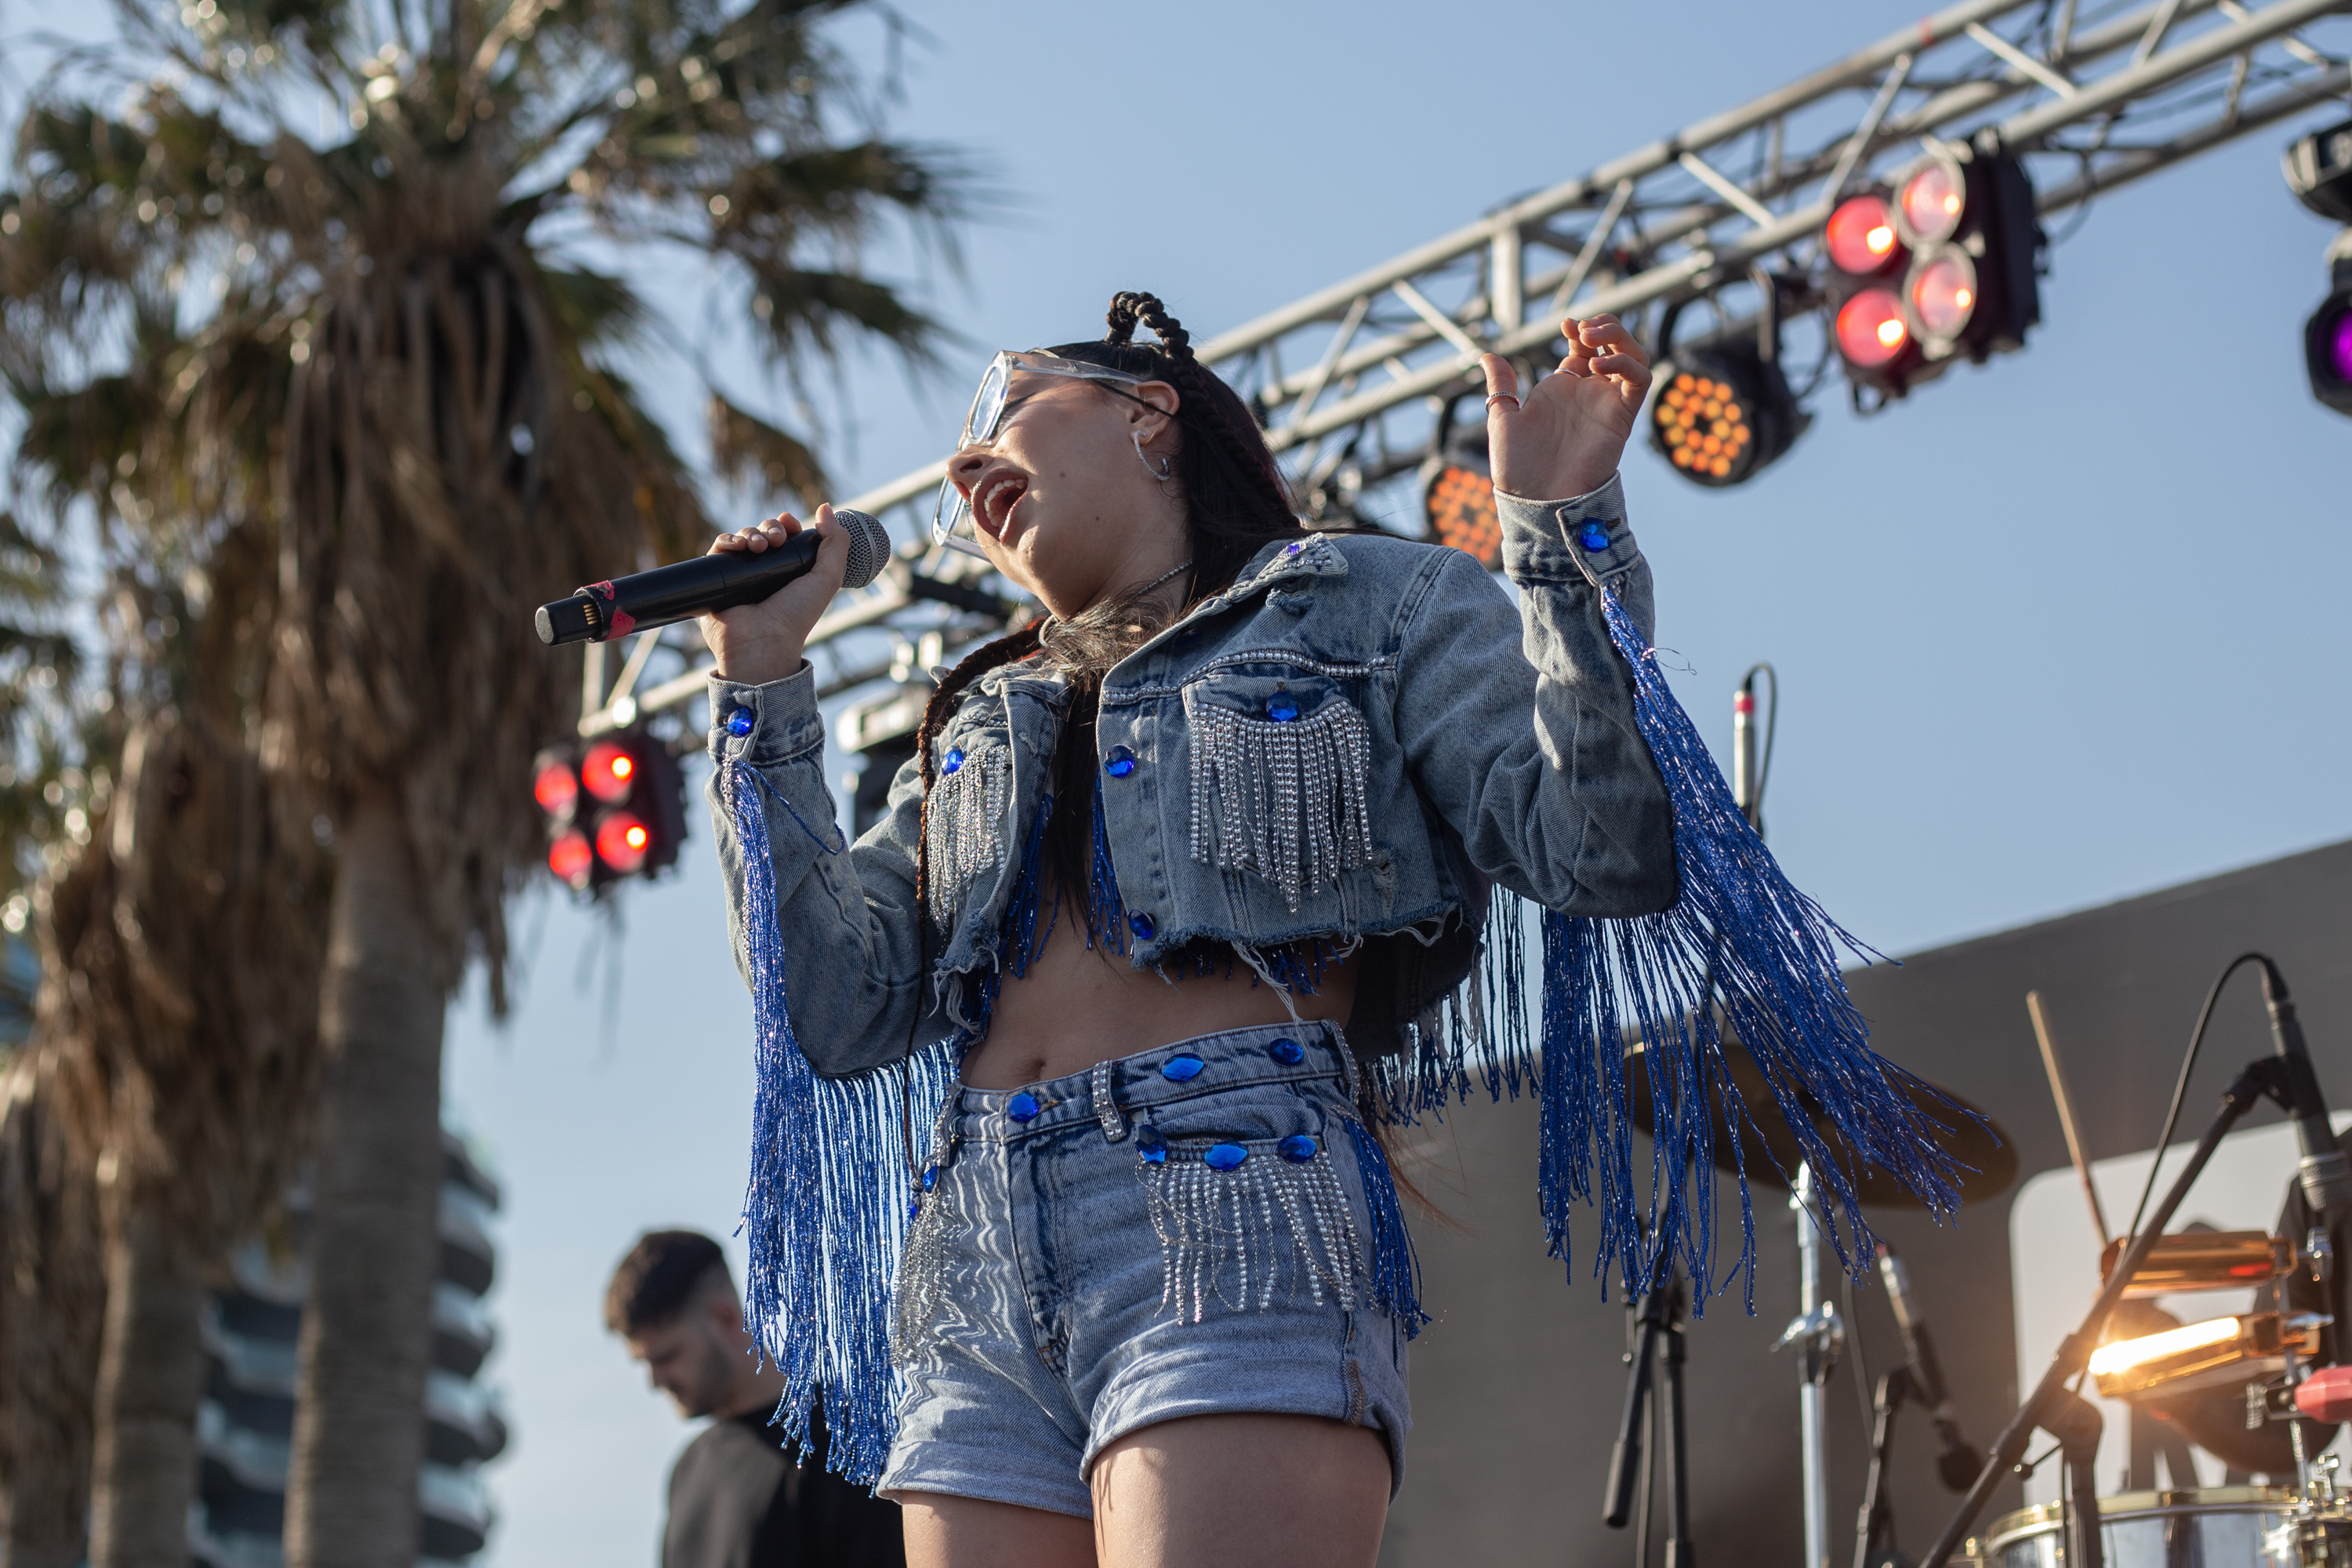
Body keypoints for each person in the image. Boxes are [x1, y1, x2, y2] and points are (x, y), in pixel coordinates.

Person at [698, 292, 1958, 1568]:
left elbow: (1602, 845)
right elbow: (831, 1007)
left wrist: (1559, 528)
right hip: (969, 1247)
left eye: (1006, 407)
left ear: (1150, 416)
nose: (968, 465)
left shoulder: (1365, 605)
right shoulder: (971, 722)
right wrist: (757, 686)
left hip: (1221, 1190)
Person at [606, 1229, 907, 1568]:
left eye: (666, 1357)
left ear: (726, 1319)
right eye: (644, 1363)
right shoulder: (688, 1470)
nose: (655, 1381)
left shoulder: (844, 1438)